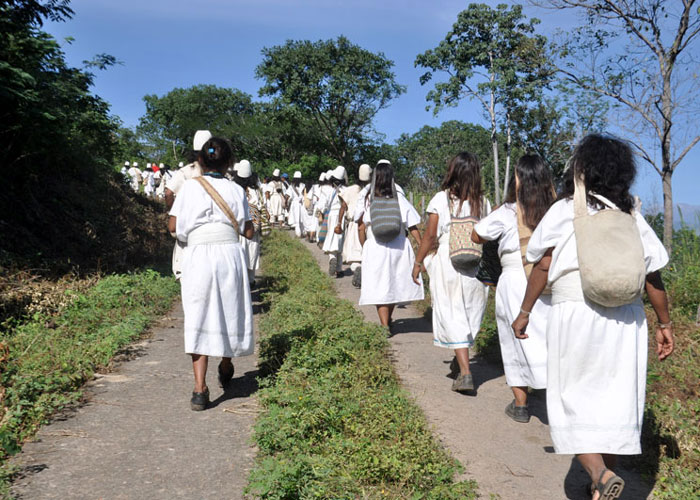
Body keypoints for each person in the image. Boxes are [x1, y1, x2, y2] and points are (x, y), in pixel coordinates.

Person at [511, 135, 673, 500]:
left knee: (571, 397)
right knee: (613, 400)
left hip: (576, 312)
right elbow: (654, 276)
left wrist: (524, 312)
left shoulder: (566, 208)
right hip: (627, 319)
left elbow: (544, 261)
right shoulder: (631, 215)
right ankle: (602, 484)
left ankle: (599, 473)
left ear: (580, 170)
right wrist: (664, 325)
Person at [168, 136, 255, 411]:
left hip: (198, 256)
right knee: (230, 309)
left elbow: (173, 226)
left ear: (201, 161)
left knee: (198, 313)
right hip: (229, 254)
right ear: (229, 162)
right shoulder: (236, 191)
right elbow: (248, 230)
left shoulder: (189, 189)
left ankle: (199, 389)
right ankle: (227, 363)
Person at [472, 154, 554, 414]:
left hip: (515, 279)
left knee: (514, 339)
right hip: (550, 280)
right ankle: (556, 394)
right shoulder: (556, 211)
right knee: (551, 337)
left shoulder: (507, 212)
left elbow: (477, 234)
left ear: (517, 180)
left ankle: (520, 403)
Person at [412, 152, 490, 393]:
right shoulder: (483, 202)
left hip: (449, 261)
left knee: (453, 311)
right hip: (475, 261)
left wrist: (418, 262)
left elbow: (430, 236)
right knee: (470, 312)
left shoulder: (440, 199)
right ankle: (461, 359)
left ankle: (466, 372)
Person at [357, 160, 424, 330]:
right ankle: (388, 320)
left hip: (375, 245)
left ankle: (384, 324)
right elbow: (413, 225)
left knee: (380, 286)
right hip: (398, 245)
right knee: (394, 284)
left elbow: (361, 225)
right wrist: (423, 247)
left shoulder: (367, 199)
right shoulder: (399, 198)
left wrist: (364, 246)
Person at [165, 130, 212, 279]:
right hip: (210, 228)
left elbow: (168, 193)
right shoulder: (218, 172)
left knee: (185, 266)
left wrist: (173, 211)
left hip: (187, 225)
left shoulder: (185, 172)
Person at [342, 163, 371, 288]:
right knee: (368, 252)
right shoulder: (373, 189)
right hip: (370, 224)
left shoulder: (350, 190)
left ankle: (356, 268)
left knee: (354, 253)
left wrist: (339, 223)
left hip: (355, 223)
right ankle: (365, 273)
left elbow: (343, 206)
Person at [234, 160, 262, 285]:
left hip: (239, 227)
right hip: (253, 226)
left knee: (240, 253)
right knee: (252, 252)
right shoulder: (255, 190)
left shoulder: (233, 189)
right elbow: (261, 206)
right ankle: (250, 281)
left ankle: (241, 281)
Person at [322, 166, 348, 277]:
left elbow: (324, 205)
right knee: (341, 239)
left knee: (331, 236)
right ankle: (339, 268)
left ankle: (332, 257)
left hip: (332, 215)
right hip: (342, 216)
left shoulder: (329, 191)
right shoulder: (346, 190)